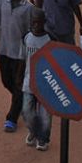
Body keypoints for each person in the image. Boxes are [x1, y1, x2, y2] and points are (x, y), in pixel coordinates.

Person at [0, 0, 31, 133]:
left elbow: (29, 32)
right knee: (6, 81)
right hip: (3, 49)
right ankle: (23, 99)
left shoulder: (28, 8)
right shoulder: (0, 2)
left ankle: (11, 118)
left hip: (20, 53)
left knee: (18, 83)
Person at [21, 8, 53, 152]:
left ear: (44, 23)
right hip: (29, 81)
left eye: (39, 23)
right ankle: (34, 130)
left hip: (47, 83)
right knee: (27, 110)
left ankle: (43, 138)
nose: (36, 25)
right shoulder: (27, 38)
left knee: (45, 114)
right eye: (33, 22)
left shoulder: (50, 40)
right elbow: (23, 58)